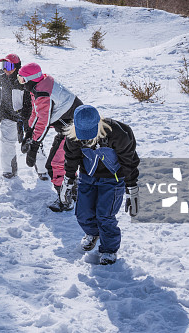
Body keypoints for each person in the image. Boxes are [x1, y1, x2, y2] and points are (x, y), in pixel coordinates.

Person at [63, 105, 140, 265]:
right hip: (87, 175)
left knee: (105, 215)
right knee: (82, 214)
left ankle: (109, 250)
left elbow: (129, 161)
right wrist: (68, 181)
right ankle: (93, 233)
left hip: (113, 178)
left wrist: (132, 188)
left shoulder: (119, 133)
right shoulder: (72, 136)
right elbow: (71, 158)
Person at [16, 62, 83, 210]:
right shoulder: (39, 86)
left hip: (74, 129)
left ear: (31, 79)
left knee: (54, 165)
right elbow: (36, 113)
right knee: (63, 161)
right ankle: (75, 191)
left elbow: (43, 123)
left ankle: (65, 201)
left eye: (22, 80)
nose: (21, 83)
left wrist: (33, 148)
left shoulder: (43, 93)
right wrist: (28, 132)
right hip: (69, 127)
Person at [0, 53, 32, 178]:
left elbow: (32, 100)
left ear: (17, 66)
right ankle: (9, 169)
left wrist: (26, 120)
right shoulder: (0, 78)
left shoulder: (24, 79)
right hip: (7, 115)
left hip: (25, 116)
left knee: (34, 143)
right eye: (3, 65)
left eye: (8, 66)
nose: (5, 69)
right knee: (7, 143)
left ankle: (42, 170)